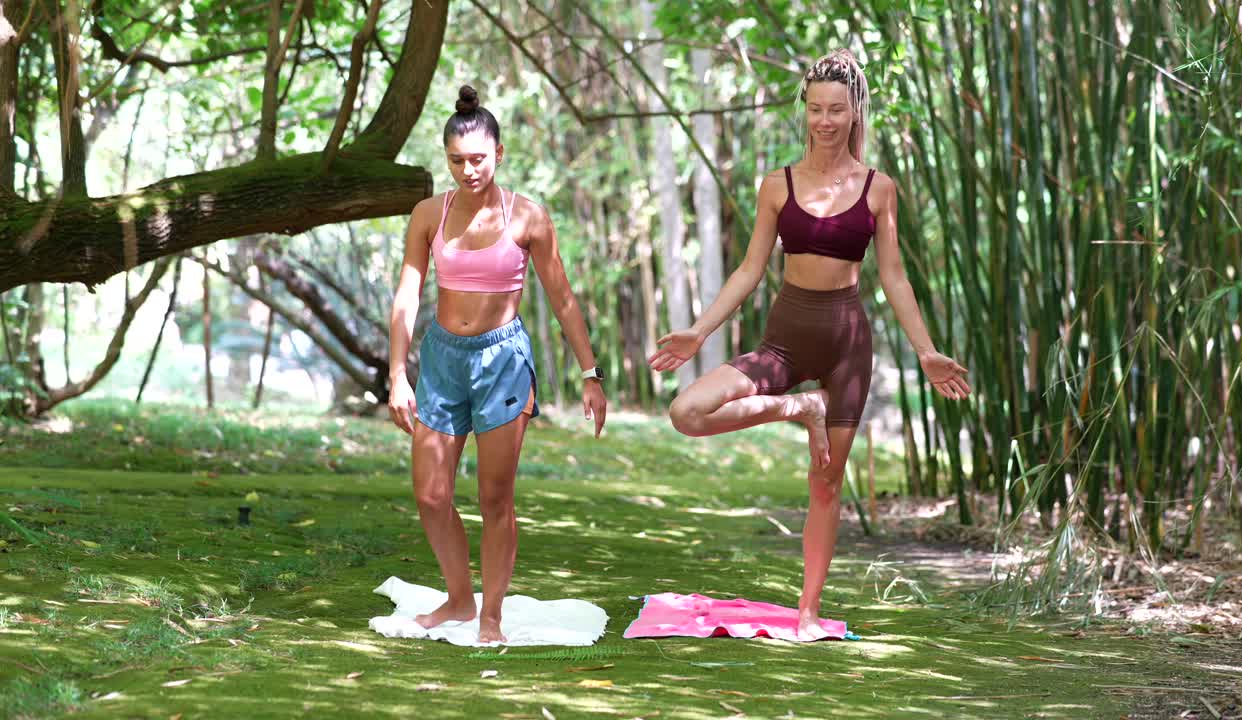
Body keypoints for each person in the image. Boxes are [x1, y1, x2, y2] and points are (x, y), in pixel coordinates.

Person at [648, 50, 970, 641]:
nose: (825, 120)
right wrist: (700, 331)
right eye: (816, 109)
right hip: (785, 341)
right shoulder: (779, 185)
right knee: (687, 411)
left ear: (854, 112)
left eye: (836, 110)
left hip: (848, 344)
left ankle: (808, 611)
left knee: (826, 483)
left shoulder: (879, 190)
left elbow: (893, 277)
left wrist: (925, 350)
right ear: (806, 111)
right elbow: (749, 270)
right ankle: (801, 408)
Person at [387, 85, 608, 644]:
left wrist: (590, 373)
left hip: (503, 362)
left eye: (479, 159)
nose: (468, 170)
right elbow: (407, 296)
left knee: (494, 497)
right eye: (457, 161)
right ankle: (460, 599)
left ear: (500, 154)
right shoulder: (426, 215)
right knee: (431, 493)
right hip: (441, 360)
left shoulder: (527, 216)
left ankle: (492, 614)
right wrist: (397, 374)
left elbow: (562, 297)